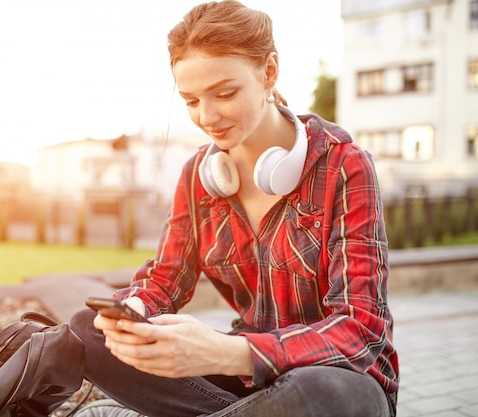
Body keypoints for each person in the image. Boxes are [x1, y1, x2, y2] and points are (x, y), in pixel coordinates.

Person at [68, 1, 400, 416]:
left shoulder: (345, 165)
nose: (207, 117)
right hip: (248, 384)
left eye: (225, 93)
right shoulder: (198, 176)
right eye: (190, 100)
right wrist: (134, 311)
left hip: (338, 379)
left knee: (317, 392)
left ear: (269, 72)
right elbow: (167, 278)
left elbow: (361, 331)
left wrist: (228, 353)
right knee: (87, 331)